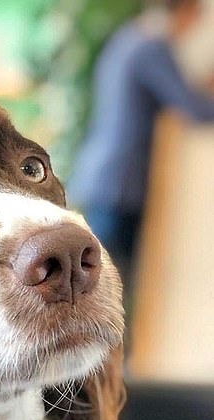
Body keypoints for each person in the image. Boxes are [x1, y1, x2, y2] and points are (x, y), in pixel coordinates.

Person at [67, 0, 214, 293]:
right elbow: (196, 110)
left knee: (97, 287)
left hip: (103, 178)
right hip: (120, 187)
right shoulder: (152, 48)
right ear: (184, 11)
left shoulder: (128, 37)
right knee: (107, 290)